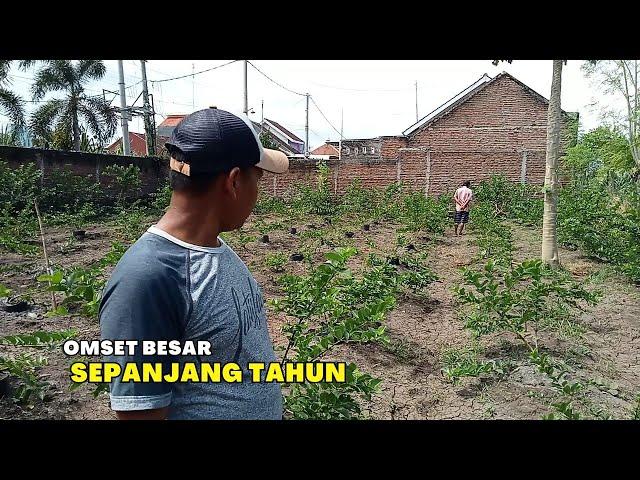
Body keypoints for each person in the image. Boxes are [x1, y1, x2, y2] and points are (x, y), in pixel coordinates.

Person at [99, 107, 289, 420]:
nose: (259, 193)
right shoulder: (148, 279)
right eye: (259, 178)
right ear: (234, 181)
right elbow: (140, 415)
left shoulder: (215, 249)